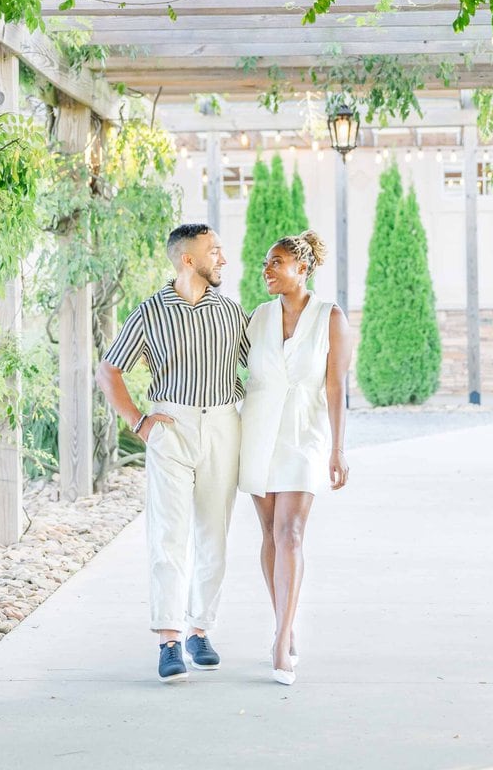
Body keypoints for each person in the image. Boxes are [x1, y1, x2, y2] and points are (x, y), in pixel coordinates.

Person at [96, 223, 249, 683]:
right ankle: (168, 639)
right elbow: (109, 370)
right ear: (188, 259)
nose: (222, 257)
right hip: (171, 426)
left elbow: (262, 363)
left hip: (224, 422)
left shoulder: (231, 312)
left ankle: (200, 628)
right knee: (167, 534)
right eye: (214, 250)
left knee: (214, 535)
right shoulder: (149, 313)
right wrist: (137, 420)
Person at [238, 230, 351, 686]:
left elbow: (336, 386)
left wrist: (338, 449)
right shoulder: (258, 317)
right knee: (269, 533)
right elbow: (227, 364)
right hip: (259, 431)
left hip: (305, 433)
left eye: (277, 262)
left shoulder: (331, 317)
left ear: (301, 269)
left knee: (292, 532)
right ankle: (283, 621)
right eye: (266, 262)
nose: (267, 270)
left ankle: (282, 643)